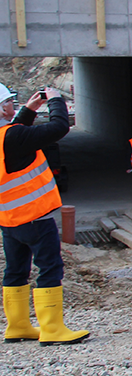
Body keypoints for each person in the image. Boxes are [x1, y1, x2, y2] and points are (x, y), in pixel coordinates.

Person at [1, 85, 89, 346]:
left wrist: (29, 110)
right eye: (8, 102)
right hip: (35, 216)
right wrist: (56, 100)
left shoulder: (7, 136)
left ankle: (17, 326)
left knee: (16, 271)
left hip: (9, 219)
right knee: (50, 267)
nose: (11, 105)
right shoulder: (13, 137)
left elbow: (15, 138)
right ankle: (52, 328)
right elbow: (59, 127)